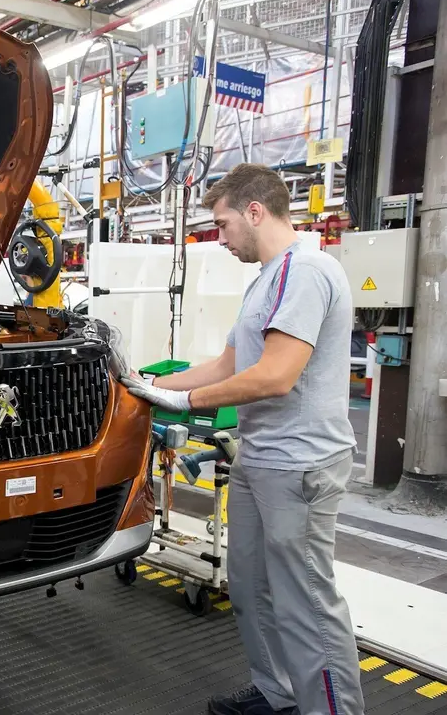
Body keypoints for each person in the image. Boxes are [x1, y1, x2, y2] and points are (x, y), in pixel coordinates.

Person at [123, 163, 362, 715]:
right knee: (252, 589)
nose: (221, 238)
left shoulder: (307, 272)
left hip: (300, 466)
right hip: (261, 458)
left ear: (255, 212)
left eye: (223, 224)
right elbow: (228, 363)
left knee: (306, 604)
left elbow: (275, 376)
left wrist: (184, 402)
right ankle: (280, 694)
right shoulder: (267, 280)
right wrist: (146, 383)